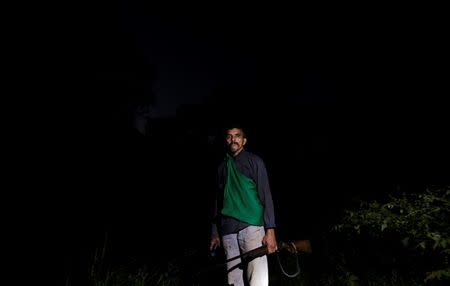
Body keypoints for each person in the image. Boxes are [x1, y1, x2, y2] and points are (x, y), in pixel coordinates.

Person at [210, 125, 277, 286]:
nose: (233, 139)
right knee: (233, 281)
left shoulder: (255, 161)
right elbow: (218, 202)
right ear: (226, 141)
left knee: (257, 279)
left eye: (237, 136)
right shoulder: (221, 168)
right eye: (229, 136)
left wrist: (270, 230)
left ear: (244, 141)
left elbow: (265, 195)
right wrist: (214, 233)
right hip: (228, 231)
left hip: (252, 227)